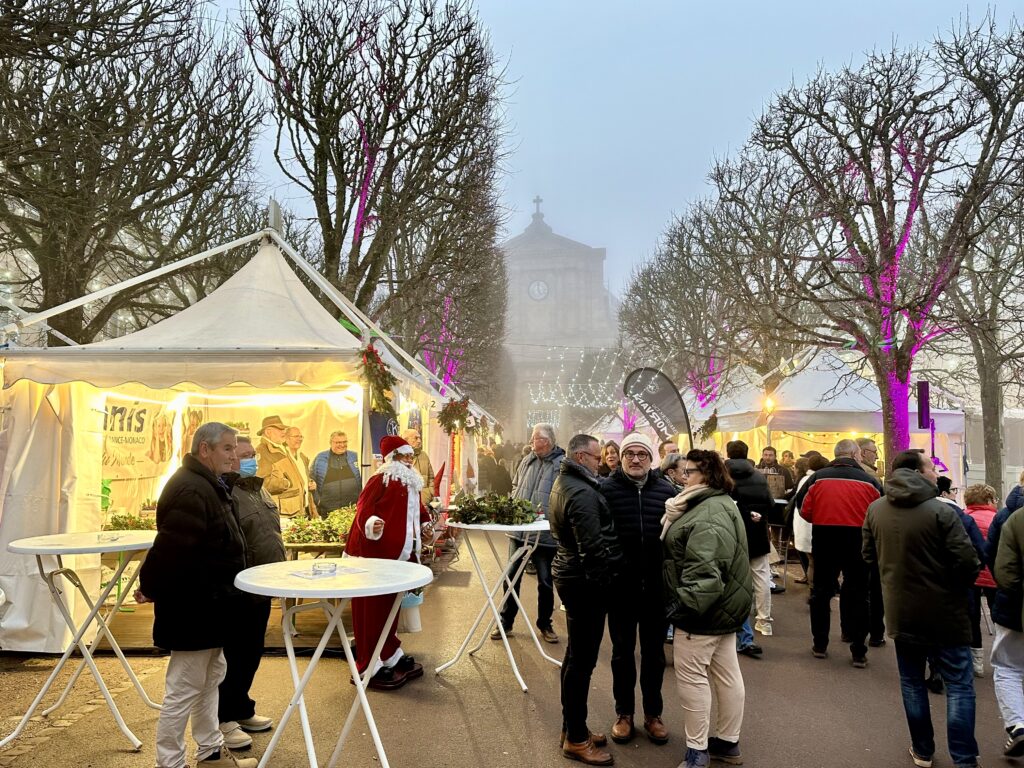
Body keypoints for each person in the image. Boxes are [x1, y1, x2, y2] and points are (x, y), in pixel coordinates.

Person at [137, 423, 257, 768]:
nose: (234, 456)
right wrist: (151, 586)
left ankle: (210, 750)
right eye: (227, 449)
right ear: (205, 450)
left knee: (210, 679)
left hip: (213, 606)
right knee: (184, 687)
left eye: (235, 449)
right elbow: (172, 549)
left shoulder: (207, 485)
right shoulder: (192, 489)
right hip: (195, 607)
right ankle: (170, 762)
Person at [863, 450, 981, 768]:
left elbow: (869, 557)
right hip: (947, 610)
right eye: (931, 467)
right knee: (958, 683)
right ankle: (965, 758)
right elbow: (969, 561)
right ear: (917, 471)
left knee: (912, 681)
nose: (935, 471)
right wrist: (953, 585)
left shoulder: (875, 510)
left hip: (902, 609)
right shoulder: (942, 512)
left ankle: (923, 749)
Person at [662, 449, 752, 768]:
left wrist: (681, 607)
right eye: (682, 471)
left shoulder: (707, 510)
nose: (682, 477)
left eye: (689, 472)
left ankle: (697, 750)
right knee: (726, 675)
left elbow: (705, 571)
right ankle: (727, 743)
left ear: (707, 475)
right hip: (723, 608)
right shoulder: (714, 502)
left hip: (703, 611)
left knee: (693, 677)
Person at [550, 434, 623, 766]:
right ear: (581, 457)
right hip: (584, 582)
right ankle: (576, 739)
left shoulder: (569, 481)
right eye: (596, 457)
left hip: (573, 576)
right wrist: (606, 585)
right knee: (582, 663)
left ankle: (572, 728)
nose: (601, 461)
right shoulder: (579, 490)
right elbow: (592, 548)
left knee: (574, 657)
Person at [599, 433, 674, 746]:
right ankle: (624, 713)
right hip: (621, 588)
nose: (635, 459)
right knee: (622, 654)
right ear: (620, 456)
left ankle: (653, 714)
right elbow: (599, 535)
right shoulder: (607, 489)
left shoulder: (667, 491)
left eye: (641, 453)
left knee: (655, 656)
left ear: (651, 458)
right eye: (629, 453)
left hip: (656, 589)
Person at [345, 435, 432, 690]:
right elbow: (363, 510)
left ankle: (390, 654)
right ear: (392, 458)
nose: (409, 461)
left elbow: (418, 511)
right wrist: (373, 524)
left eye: (410, 457)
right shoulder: (380, 479)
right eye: (404, 456)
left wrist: (425, 525)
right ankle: (369, 665)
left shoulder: (411, 482)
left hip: (398, 557)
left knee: (391, 608)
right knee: (372, 610)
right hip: (375, 557)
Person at [218, 436, 286, 750]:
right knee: (234, 655)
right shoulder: (226, 494)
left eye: (252, 454)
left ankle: (242, 708)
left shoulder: (259, 489)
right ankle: (224, 718)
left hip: (263, 586)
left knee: (251, 653)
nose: (250, 459)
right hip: (240, 588)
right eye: (244, 455)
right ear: (229, 458)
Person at [795, 438, 882, 666]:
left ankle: (820, 644)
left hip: (825, 538)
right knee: (858, 595)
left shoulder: (817, 478)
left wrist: (820, 519)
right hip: (858, 541)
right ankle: (858, 650)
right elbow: (879, 512)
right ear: (856, 455)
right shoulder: (869, 481)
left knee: (821, 593)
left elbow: (803, 508)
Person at [492, 423, 566, 643]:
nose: (533, 442)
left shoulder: (561, 464)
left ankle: (545, 624)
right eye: (533, 438)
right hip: (520, 532)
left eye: (537, 438)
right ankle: (506, 622)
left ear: (549, 441)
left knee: (545, 581)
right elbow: (515, 485)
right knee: (511, 578)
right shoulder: (527, 460)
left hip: (544, 534)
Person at [724, 440, 775, 653]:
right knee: (761, 576)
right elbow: (770, 505)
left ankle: (730, 619)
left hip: (731, 533)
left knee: (731, 579)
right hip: (756, 533)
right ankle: (764, 621)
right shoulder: (759, 476)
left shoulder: (723, 476)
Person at [991, 487, 1024, 757]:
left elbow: (1005, 573)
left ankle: (1018, 725)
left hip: (1015, 611)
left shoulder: (1014, 518)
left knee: (1009, 668)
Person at [962, 483, 999, 678]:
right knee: (998, 618)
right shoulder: (997, 519)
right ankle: (1002, 661)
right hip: (993, 576)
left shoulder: (963, 518)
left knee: (972, 618)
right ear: (988, 500)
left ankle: (976, 661)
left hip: (971, 576)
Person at [254, 415, 305, 523]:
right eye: (280, 429)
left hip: (292, 512)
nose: (284, 432)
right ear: (268, 432)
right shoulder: (262, 451)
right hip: (283, 515)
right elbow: (263, 484)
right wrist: (287, 483)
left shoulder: (279, 448)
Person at [311, 431, 362, 515]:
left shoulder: (355, 456)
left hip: (352, 509)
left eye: (344, 442)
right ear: (330, 443)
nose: (342, 445)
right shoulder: (320, 457)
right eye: (338, 442)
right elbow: (311, 479)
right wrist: (318, 501)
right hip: (327, 510)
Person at [285, 426, 314, 517]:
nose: (299, 439)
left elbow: (304, 478)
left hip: (304, 508)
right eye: (296, 436)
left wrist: (310, 482)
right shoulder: (283, 457)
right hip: (290, 510)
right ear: (286, 439)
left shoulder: (302, 457)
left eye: (301, 437)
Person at [402, 428, 435, 505]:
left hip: (424, 501)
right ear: (406, 440)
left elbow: (431, 477)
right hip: (406, 503)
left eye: (419, 438)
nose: (419, 441)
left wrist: (430, 492)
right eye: (416, 438)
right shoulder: (400, 456)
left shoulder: (424, 455)